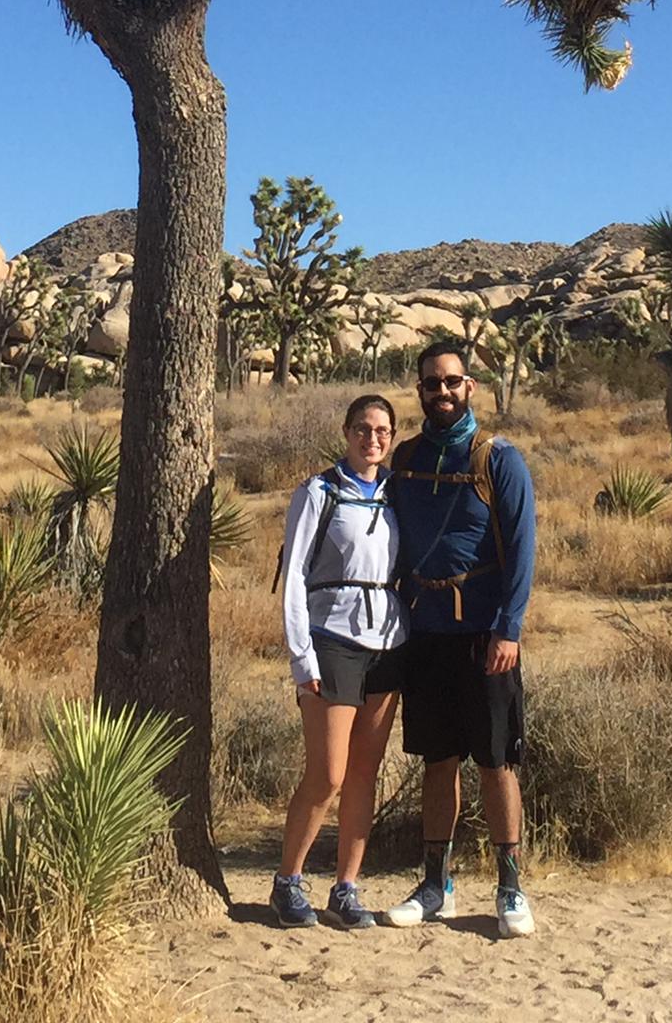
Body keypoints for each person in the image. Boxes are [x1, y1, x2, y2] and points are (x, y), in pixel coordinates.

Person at [382, 342, 537, 939]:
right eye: (430, 384)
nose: (441, 392)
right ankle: (435, 884)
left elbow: (522, 551)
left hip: (484, 635)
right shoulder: (406, 458)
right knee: (437, 761)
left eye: (451, 382)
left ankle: (510, 886)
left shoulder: (499, 459)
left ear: (469, 386)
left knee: (496, 761)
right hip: (425, 631)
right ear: (419, 390)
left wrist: (509, 628)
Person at [270, 393, 408, 931]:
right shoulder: (319, 491)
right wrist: (301, 654)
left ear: (391, 438)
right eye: (363, 428)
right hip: (332, 639)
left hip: (388, 641)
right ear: (346, 432)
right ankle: (288, 880)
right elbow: (296, 576)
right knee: (327, 773)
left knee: (363, 774)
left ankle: (346, 888)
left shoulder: (396, 494)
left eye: (382, 431)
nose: (372, 439)